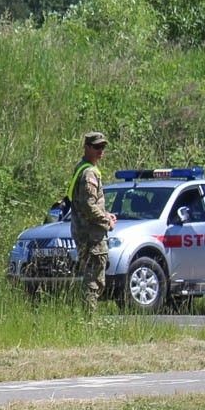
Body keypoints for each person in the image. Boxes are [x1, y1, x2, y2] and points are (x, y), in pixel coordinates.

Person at [68, 131, 117, 313]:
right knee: (94, 280)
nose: (100, 151)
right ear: (87, 147)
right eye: (96, 147)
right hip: (91, 235)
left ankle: (86, 318)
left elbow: (87, 203)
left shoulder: (82, 168)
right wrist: (106, 220)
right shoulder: (89, 172)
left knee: (91, 277)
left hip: (85, 232)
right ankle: (88, 321)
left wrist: (106, 213)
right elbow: (88, 206)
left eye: (103, 147)